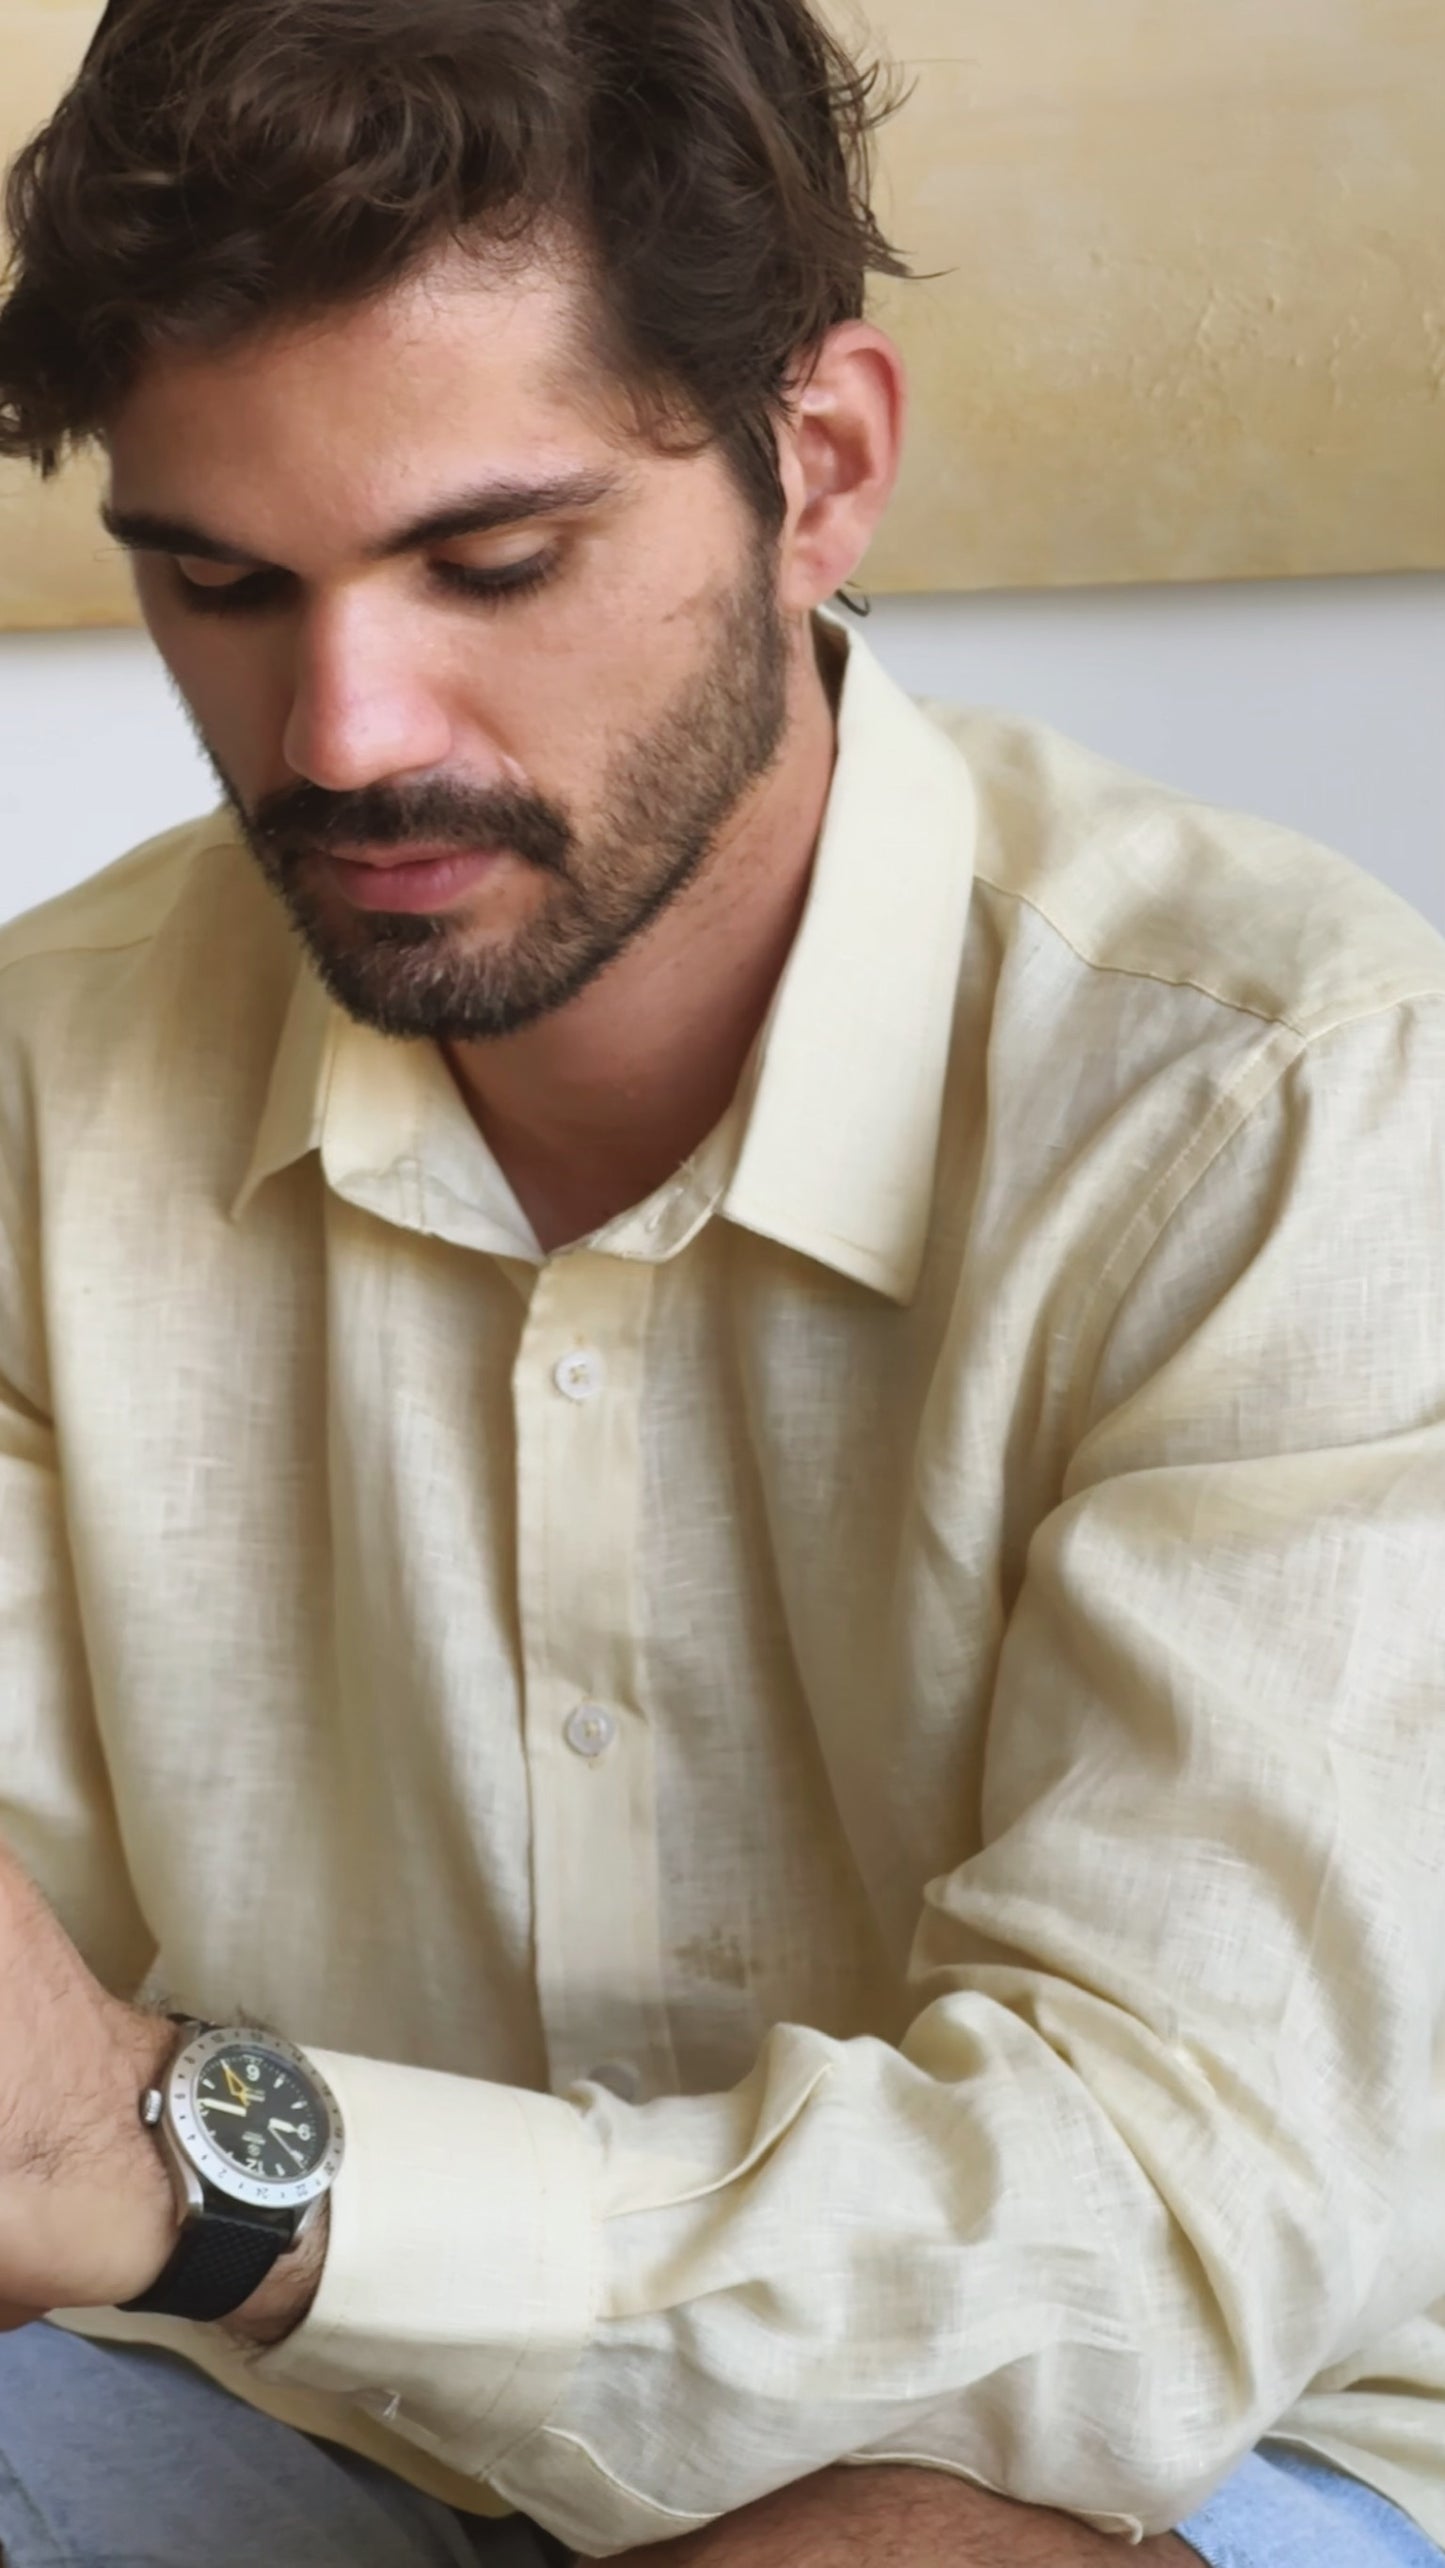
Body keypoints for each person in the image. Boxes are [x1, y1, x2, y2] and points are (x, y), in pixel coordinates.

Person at [0, 1, 1442, 2562]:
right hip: (287, 2413)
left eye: (494, 562)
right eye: (219, 582)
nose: (343, 733)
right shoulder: (38, 1074)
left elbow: (1134, 2260)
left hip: (1149, 2453)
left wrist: (199, 2173)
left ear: (826, 467)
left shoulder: (1288, 1096)